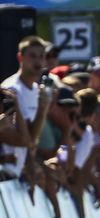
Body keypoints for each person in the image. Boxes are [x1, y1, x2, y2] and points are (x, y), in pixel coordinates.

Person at [1, 36, 51, 182]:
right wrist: (42, 111)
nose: (38, 61)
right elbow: (21, 137)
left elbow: (31, 138)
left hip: (19, 171)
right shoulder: (10, 90)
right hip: (6, 170)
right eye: (32, 56)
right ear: (20, 57)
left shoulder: (37, 91)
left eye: (41, 56)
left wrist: (31, 164)